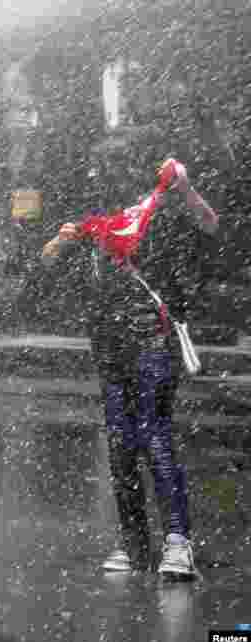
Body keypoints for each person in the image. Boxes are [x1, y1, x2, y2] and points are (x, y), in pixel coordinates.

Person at [41, 159, 218, 579]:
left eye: (108, 173)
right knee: (121, 444)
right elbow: (46, 262)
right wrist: (60, 242)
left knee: (154, 436)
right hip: (109, 343)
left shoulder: (162, 215)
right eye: (98, 175)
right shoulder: (95, 228)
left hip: (153, 339)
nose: (102, 180)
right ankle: (133, 544)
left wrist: (186, 188)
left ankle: (178, 543)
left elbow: (210, 225)